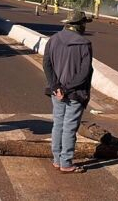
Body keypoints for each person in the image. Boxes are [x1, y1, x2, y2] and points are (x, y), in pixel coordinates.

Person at [43, 10, 93, 174]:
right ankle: (66, 163)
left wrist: (56, 87)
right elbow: (84, 73)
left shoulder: (53, 39)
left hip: (57, 93)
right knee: (69, 127)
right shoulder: (84, 44)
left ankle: (57, 160)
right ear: (80, 25)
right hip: (75, 93)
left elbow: (47, 65)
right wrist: (67, 88)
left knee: (58, 124)